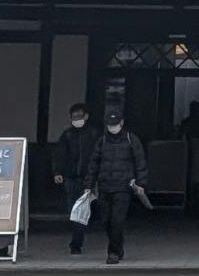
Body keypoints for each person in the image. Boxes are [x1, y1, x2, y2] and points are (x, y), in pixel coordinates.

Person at [84, 105, 152, 264]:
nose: (112, 127)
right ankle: (118, 246)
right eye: (109, 124)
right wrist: (88, 184)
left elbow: (140, 162)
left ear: (122, 122)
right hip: (104, 186)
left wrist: (141, 183)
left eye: (114, 124)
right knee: (106, 220)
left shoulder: (131, 139)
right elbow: (94, 164)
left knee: (117, 220)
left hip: (123, 187)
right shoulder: (102, 141)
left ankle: (113, 252)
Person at [60, 103, 101, 255]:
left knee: (83, 210)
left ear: (86, 116)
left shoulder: (94, 134)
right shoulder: (67, 135)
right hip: (71, 177)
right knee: (73, 209)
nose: (77, 119)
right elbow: (60, 154)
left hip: (88, 178)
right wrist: (58, 172)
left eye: (79, 116)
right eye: (74, 117)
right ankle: (76, 239)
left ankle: (77, 242)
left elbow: (99, 156)